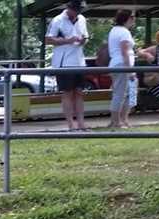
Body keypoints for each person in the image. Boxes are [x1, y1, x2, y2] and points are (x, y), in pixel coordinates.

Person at [46, 0, 89, 131]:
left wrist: (83, 41)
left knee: (80, 92)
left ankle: (81, 124)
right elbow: (48, 39)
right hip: (63, 62)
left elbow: (85, 36)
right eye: (75, 10)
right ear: (68, 8)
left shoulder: (82, 19)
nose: (77, 13)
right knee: (67, 93)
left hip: (79, 61)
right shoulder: (57, 20)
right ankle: (71, 125)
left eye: (79, 10)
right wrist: (67, 41)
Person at [107, 10, 138, 128]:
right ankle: (116, 122)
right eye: (133, 17)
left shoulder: (114, 30)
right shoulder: (124, 32)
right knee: (120, 94)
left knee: (121, 93)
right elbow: (124, 52)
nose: (134, 19)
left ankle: (118, 120)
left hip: (115, 64)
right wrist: (130, 70)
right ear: (127, 18)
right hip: (122, 65)